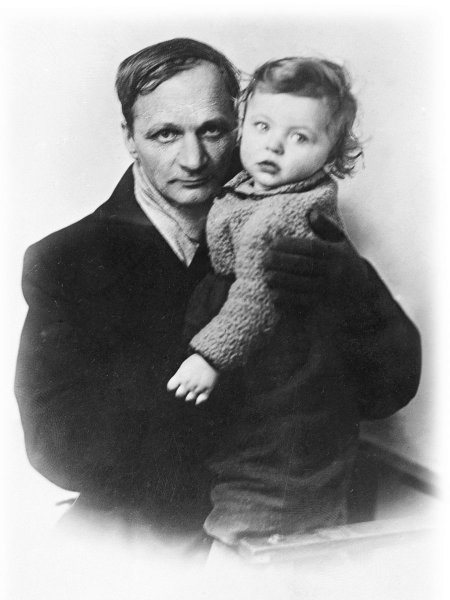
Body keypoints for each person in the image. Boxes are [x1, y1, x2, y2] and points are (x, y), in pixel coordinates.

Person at [14, 38, 421, 553]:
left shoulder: (295, 219)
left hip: (283, 531)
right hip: (143, 545)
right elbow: (58, 450)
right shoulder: (65, 259)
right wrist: (232, 392)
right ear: (129, 137)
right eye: (165, 134)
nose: (194, 159)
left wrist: (355, 289)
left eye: (213, 130)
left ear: (240, 122)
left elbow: (389, 391)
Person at [166, 56, 365, 545]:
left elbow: (257, 295)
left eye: (300, 137)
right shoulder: (253, 188)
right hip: (264, 371)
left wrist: (210, 357)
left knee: (269, 488)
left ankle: (252, 555)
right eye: (262, 126)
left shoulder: (284, 214)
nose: (274, 145)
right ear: (242, 123)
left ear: (332, 152)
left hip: (287, 374)